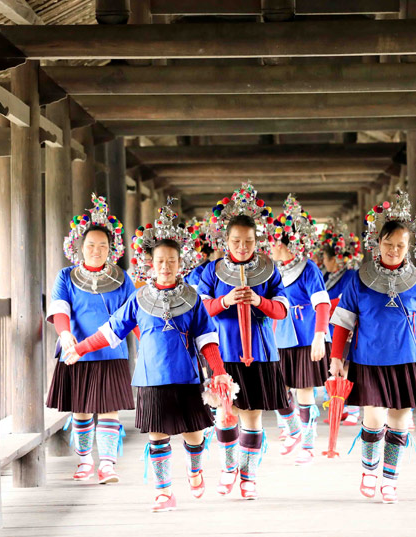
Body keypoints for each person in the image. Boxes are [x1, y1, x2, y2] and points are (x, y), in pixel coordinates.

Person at [65, 201, 230, 512]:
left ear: (181, 263)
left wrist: (219, 371)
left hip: (186, 376)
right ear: (150, 264)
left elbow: (207, 339)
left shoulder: (193, 298)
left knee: (194, 435)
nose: (165, 266)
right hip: (150, 377)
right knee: (157, 436)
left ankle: (195, 469)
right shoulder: (139, 298)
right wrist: (80, 348)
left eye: (171, 261)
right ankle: (164, 491)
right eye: (160, 261)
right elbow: (111, 332)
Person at [329, 191, 416, 504]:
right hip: (369, 359)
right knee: (373, 418)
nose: (394, 250)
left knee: (399, 420)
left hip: (408, 359)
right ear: (378, 243)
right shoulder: (359, 279)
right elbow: (343, 321)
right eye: (388, 243)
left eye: (400, 245)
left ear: (410, 247)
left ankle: (390, 479)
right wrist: (336, 359)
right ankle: (369, 470)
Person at [196, 183, 291, 500]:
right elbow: (199, 311)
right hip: (223, 354)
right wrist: (225, 301)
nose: (242, 246)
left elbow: (282, 310)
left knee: (252, 416)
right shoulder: (211, 272)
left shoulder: (270, 270)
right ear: (225, 241)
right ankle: (228, 467)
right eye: (235, 241)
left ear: (257, 240)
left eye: (248, 241)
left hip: (261, 353)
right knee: (225, 414)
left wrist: (259, 301)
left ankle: (249, 476)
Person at [45, 194, 136, 485]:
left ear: (112, 249)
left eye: (103, 246)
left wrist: (149, 344)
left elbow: (134, 316)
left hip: (112, 352)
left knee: (110, 410)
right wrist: (64, 333)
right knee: (81, 410)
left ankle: (107, 464)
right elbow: (60, 309)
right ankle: (85, 460)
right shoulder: (66, 276)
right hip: (76, 351)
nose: (96, 250)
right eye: (91, 245)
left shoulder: (123, 279)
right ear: (80, 247)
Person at [269, 196, 331, 466]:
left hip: (306, 335)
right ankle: (294, 429)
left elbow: (322, 303)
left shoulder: (309, 269)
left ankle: (308, 443)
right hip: (280, 335)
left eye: (272, 242)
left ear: (283, 244)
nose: (268, 247)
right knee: (276, 388)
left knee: (304, 391)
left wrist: (319, 336)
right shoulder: (273, 271)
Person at [320, 223, 361, 426]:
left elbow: (347, 301)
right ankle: (339, 407)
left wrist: (325, 305)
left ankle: (353, 409)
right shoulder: (327, 276)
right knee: (335, 368)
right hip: (330, 328)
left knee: (347, 367)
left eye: (326, 258)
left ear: (335, 258)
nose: (323, 262)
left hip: (346, 327)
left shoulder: (351, 276)